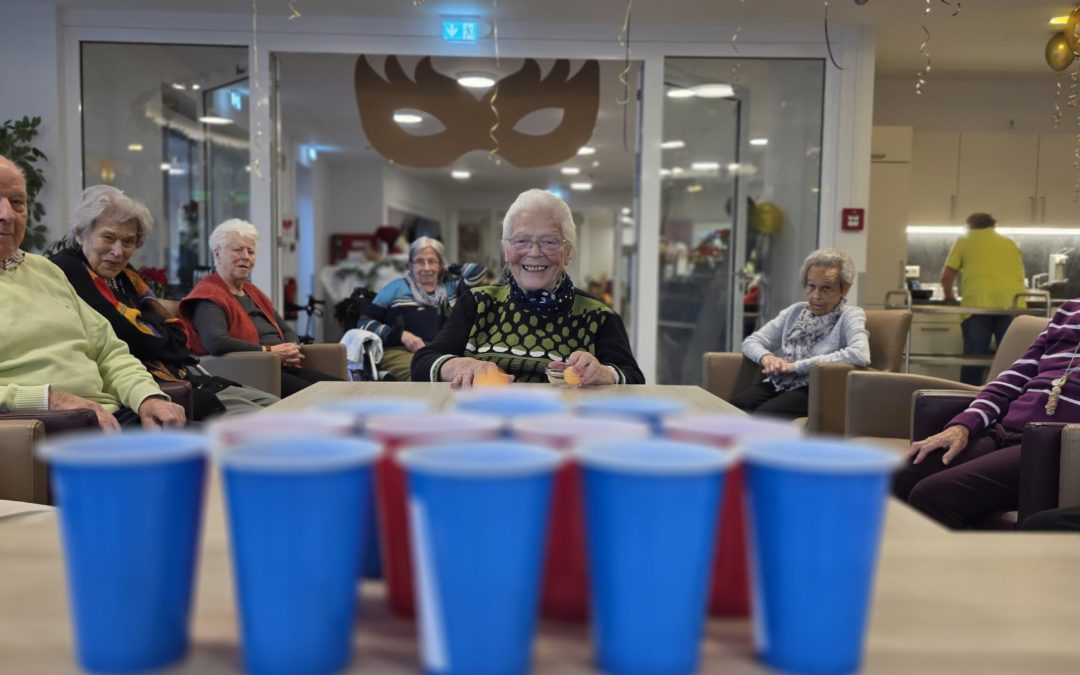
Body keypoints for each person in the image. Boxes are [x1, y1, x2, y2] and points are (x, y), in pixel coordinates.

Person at [50, 186, 279, 420]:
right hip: (149, 388)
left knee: (279, 405)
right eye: (108, 237)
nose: (118, 251)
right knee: (266, 420)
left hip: (181, 375)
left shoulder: (124, 277)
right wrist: (160, 336)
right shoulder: (69, 272)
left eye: (128, 241)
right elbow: (131, 338)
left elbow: (175, 339)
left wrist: (160, 336)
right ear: (80, 234)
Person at [0, 156, 185, 430]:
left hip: (109, 418)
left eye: (17, 202)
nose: (6, 215)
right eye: (108, 237)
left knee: (229, 453)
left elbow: (109, 351)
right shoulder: (71, 269)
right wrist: (47, 400)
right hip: (42, 428)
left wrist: (148, 397)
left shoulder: (44, 270)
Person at [411, 188, 644, 388]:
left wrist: (605, 373)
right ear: (506, 250)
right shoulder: (477, 303)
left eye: (550, 241)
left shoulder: (598, 316)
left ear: (569, 252)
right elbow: (422, 363)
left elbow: (634, 380)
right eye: (521, 240)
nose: (534, 252)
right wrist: (460, 365)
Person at [895, 299, 1080, 529]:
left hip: (1051, 446)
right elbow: (1012, 379)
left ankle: (966, 565)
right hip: (1003, 430)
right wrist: (962, 426)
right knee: (899, 476)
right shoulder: (1068, 311)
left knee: (932, 495)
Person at [179, 219, 342, 396]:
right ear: (217, 254)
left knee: (346, 390)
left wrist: (290, 348)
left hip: (282, 366)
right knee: (326, 396)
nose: (246, 257)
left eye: (251, 251)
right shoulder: (208, 294)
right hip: (251, 372)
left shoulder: (252, 291)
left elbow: (285, 329)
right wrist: (269, 351)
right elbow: (216, 342)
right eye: (237, 250)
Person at [732, 248, 869, 419]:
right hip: (782, 382)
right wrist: (767, 357)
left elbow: (860, 354)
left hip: (818, 388)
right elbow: (752, 341)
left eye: (826, 288)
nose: (816, 296)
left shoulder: (851, 314)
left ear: (844, 289)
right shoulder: (795, 311)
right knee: (734, 406)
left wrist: (796, 367)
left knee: (765, 414)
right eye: (811, 286)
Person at [356, 237, 484, 381]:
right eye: (419, 261)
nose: (426, 268)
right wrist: (400, 335)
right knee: (427, 377)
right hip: (402, 352)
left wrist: (447, 267)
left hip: (445, 353)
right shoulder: (395, 288)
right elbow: (364, 323)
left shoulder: (451, 287)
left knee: (474, 376)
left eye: (432, 261)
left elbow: (478, 271)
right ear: (411, 265)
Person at [940, 212, 1026, 385]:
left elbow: (946, 277)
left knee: (974, 361)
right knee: (1010, 361)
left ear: (969, 226)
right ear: (994, 226)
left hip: (978, 306)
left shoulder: (965, 240)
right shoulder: (1009, 242)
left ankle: (968, 401)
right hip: (1012, 306)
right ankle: (1008, 401)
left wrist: (949, 297)